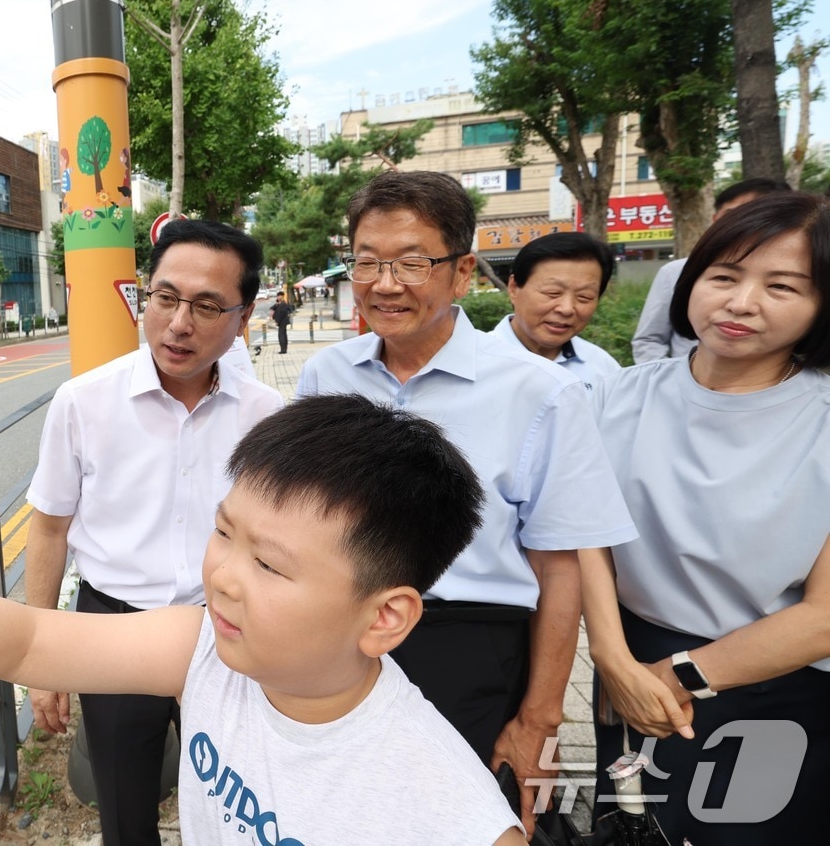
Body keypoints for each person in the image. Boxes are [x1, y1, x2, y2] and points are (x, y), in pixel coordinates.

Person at [0, 395, 525, 845]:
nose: (223, 578)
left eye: (269, 564)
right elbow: (29, 638)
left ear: (385, 617)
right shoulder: (203, 646)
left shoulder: (444, 808)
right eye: (223, 532)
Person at [296, 170, 637, 835]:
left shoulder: (539, 393)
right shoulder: (326, 375)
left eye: (412, 262)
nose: (384, 283)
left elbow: (559, 564)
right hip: (340, 633)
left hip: (468, 648)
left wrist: (540, 716)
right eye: (367, 261)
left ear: (461, 273)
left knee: (454, 821)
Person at [24, 218, 283, 845]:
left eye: (207, 305)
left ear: (243, 317)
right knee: (124, 806)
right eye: (164, 297)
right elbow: (50, 530)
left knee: (241, 803)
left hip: (226, 629)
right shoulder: (83, 403)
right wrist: (43, 658)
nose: (178, 323)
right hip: (112, 626)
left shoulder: (269, 418)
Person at [581, 191, 830, 844]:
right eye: (724, 275)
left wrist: (682, 674)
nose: (741, 302)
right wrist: (611, 657)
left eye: (782, 286)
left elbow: (824, 615)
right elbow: (586, 537)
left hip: (773, 680)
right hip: (630, 665)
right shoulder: (616, 394)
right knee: (632, 824)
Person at [631, 177, 791, 363]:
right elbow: (648, 340)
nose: (740, 306)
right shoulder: (676, 272)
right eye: (732, 215)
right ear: (715, 220)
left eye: (779, 286)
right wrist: (666, 384)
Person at [493, 231, 621, 389]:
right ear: (514, 288)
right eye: (552, 293)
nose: (567, 309)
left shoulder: (605, 370)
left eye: (584, 297)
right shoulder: (475, 364)